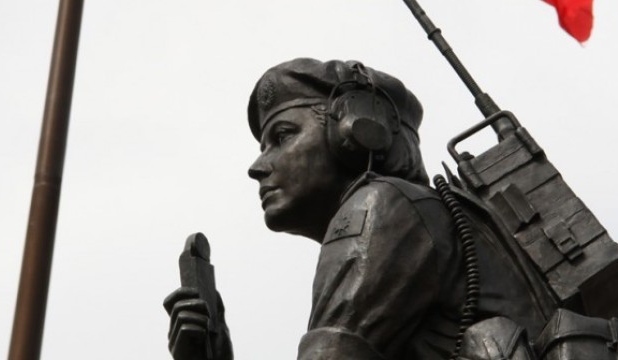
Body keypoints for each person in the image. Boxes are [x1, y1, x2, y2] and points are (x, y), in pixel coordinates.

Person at [164, 58, 557, 360]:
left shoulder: (382, 206)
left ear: (354, 132)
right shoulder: (418, 210)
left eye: (282, 137)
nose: (258, 166)